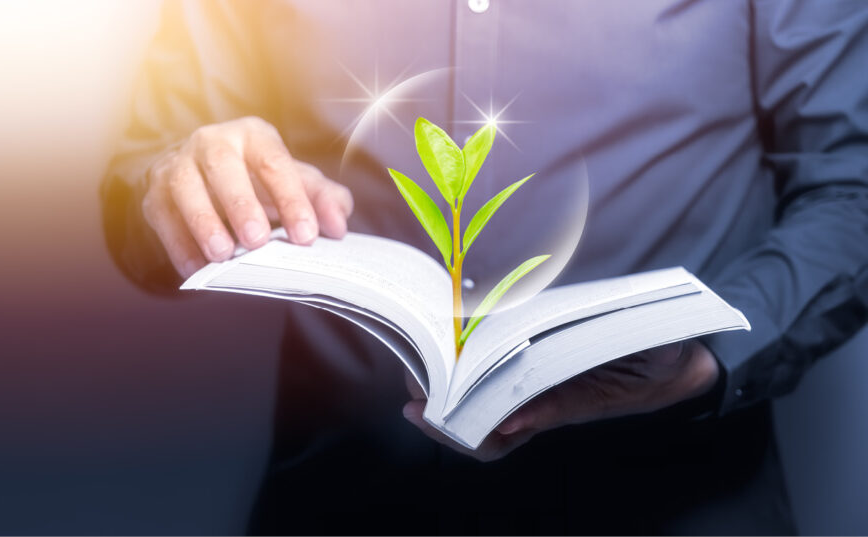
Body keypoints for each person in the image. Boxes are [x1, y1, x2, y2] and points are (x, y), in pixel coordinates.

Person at [101, 1, 868, 533]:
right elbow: (145, 189)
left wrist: (709, 357)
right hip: (339, 502)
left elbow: (854, 191)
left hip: (681, 502)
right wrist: (174, 186)